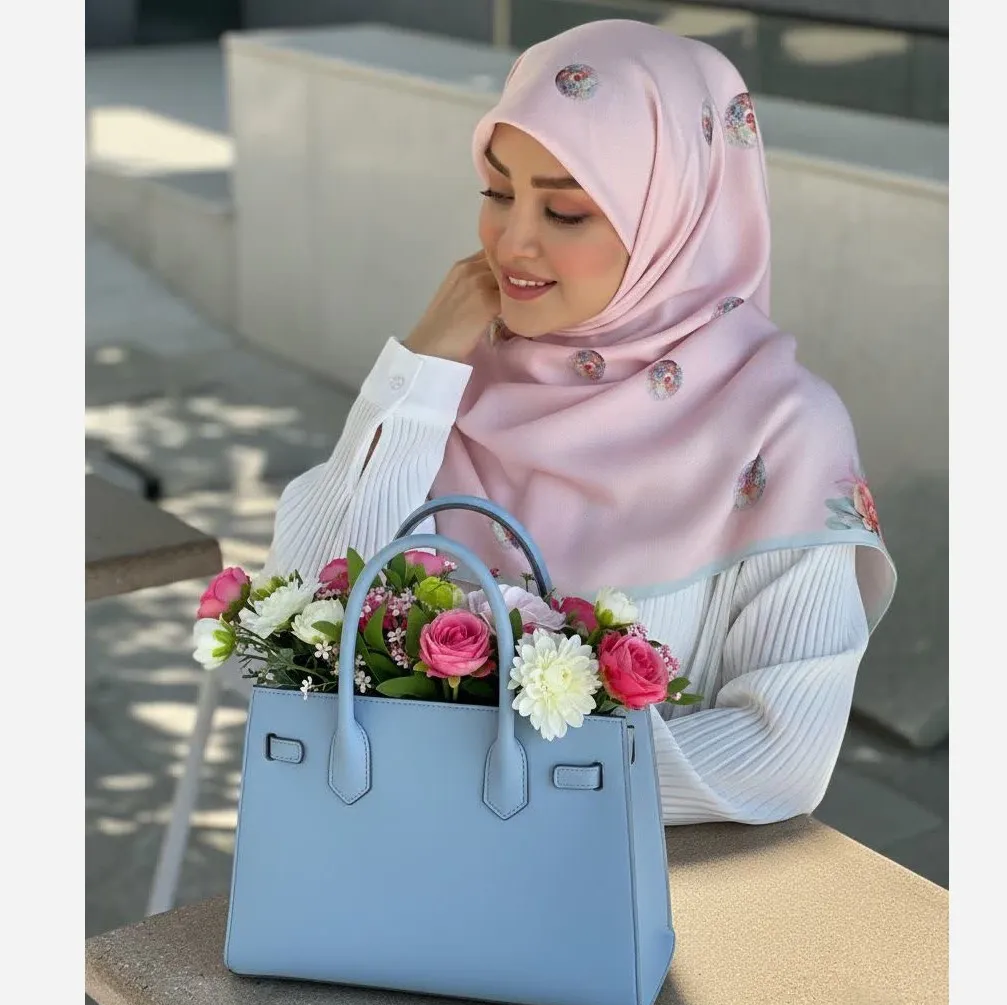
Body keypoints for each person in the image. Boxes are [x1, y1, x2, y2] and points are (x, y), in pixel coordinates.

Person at [263, 19, 896, 826]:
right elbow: (298, 620)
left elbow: (780, 753)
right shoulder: (452, 384)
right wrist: (415, 369)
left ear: (676, 218)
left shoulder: (782, 430)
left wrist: (481, 779)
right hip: (410, 862)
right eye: (498, 194)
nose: (512, 242)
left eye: (564, 211)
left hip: (633, 885)